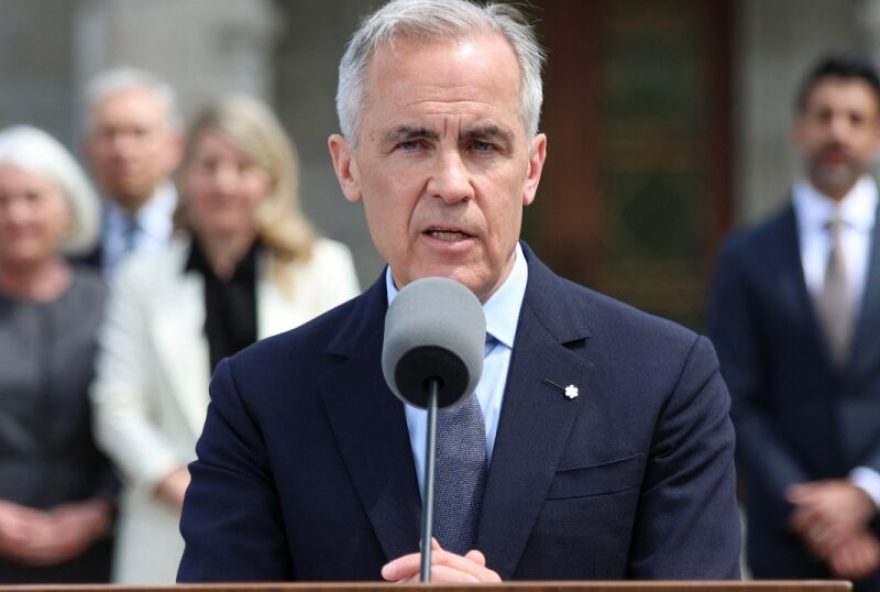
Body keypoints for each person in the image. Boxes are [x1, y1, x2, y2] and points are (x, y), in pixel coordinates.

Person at [178, 0, 741, 583]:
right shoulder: (262, 397)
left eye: (483, 146)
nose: (450, 185)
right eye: (413, 144)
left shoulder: (664, 378)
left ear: (532, 168)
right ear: (348, 168)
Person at [90, 95, 360, 583]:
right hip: (166, 530)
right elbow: (116, 407)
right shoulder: (141, 278)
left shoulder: (324, 267)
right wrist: (191, 489)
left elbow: (343, 395)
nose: (224, 183)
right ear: (184, 174)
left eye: (242, 166)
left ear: (271, 177)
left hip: (297, 522)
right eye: (208, 166)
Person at [708, 54, 880, 590]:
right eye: (824, 115)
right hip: (785, 535)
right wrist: (815, 514)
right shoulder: (747, 255)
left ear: (876, 134)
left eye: (855, 118)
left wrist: (866, 493)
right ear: (798, 128)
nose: (837, 131)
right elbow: (734, 394)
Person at [0, 126, 115, 582]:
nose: (17, 214)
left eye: (32, 198)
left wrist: (100, 511)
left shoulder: (111, 303)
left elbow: (133, 412)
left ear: (67, 208)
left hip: (98, 552)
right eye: (3, 201)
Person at [81, 66, 183, 279]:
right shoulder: (74, 241)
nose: (123, 151)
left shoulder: (199, 233)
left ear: (174, 147)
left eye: (139, 133)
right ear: (88, 148)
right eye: (109, 134)